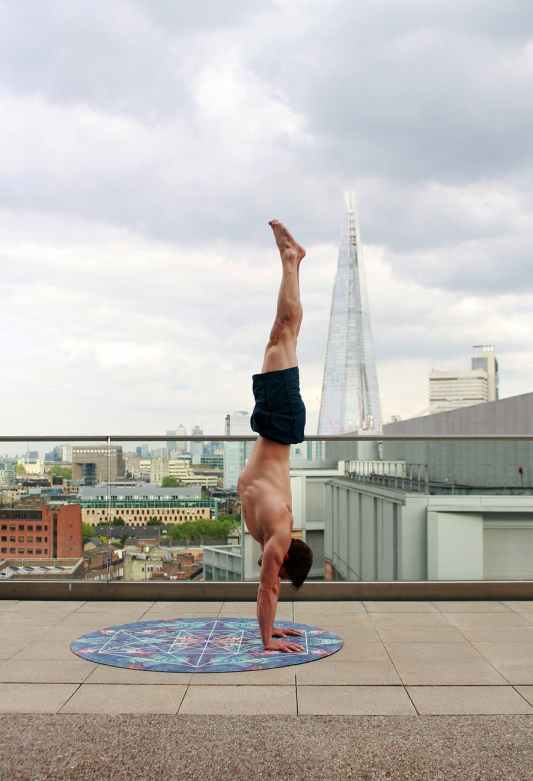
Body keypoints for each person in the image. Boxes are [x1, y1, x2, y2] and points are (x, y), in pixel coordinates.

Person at [237, 219, 313, 653]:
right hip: (280, 422)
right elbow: (268, 589)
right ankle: (291, 260)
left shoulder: (269, 534)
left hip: (274, 425)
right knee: (283, 330)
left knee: (282, 334)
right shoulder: (278, 533)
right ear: (285, 560)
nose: (274, 573)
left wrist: (272, 632)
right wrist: (268, 641)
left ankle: (293, 263)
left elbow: (270, 589)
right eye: (281, 570)